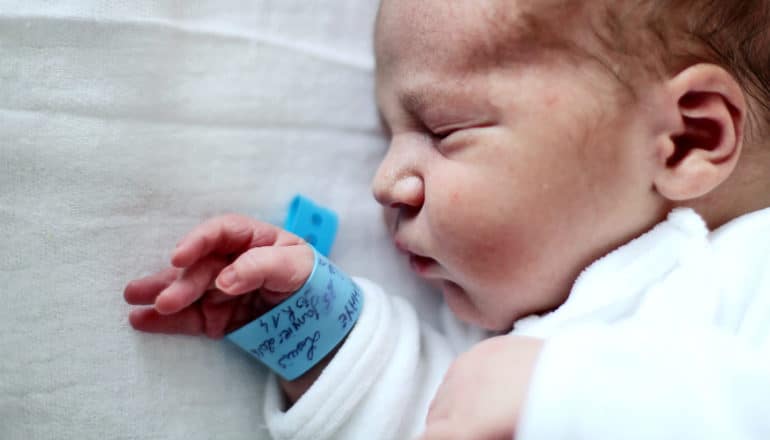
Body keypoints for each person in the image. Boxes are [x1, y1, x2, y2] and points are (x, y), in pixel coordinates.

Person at [124, 0, 770, 438]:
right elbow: (431, 412)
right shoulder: (494, 333)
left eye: (443, 129)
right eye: (388, 137)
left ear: (687, 139)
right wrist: (318, 337)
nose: (384, 183)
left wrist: (558, 392)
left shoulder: (750, 270)